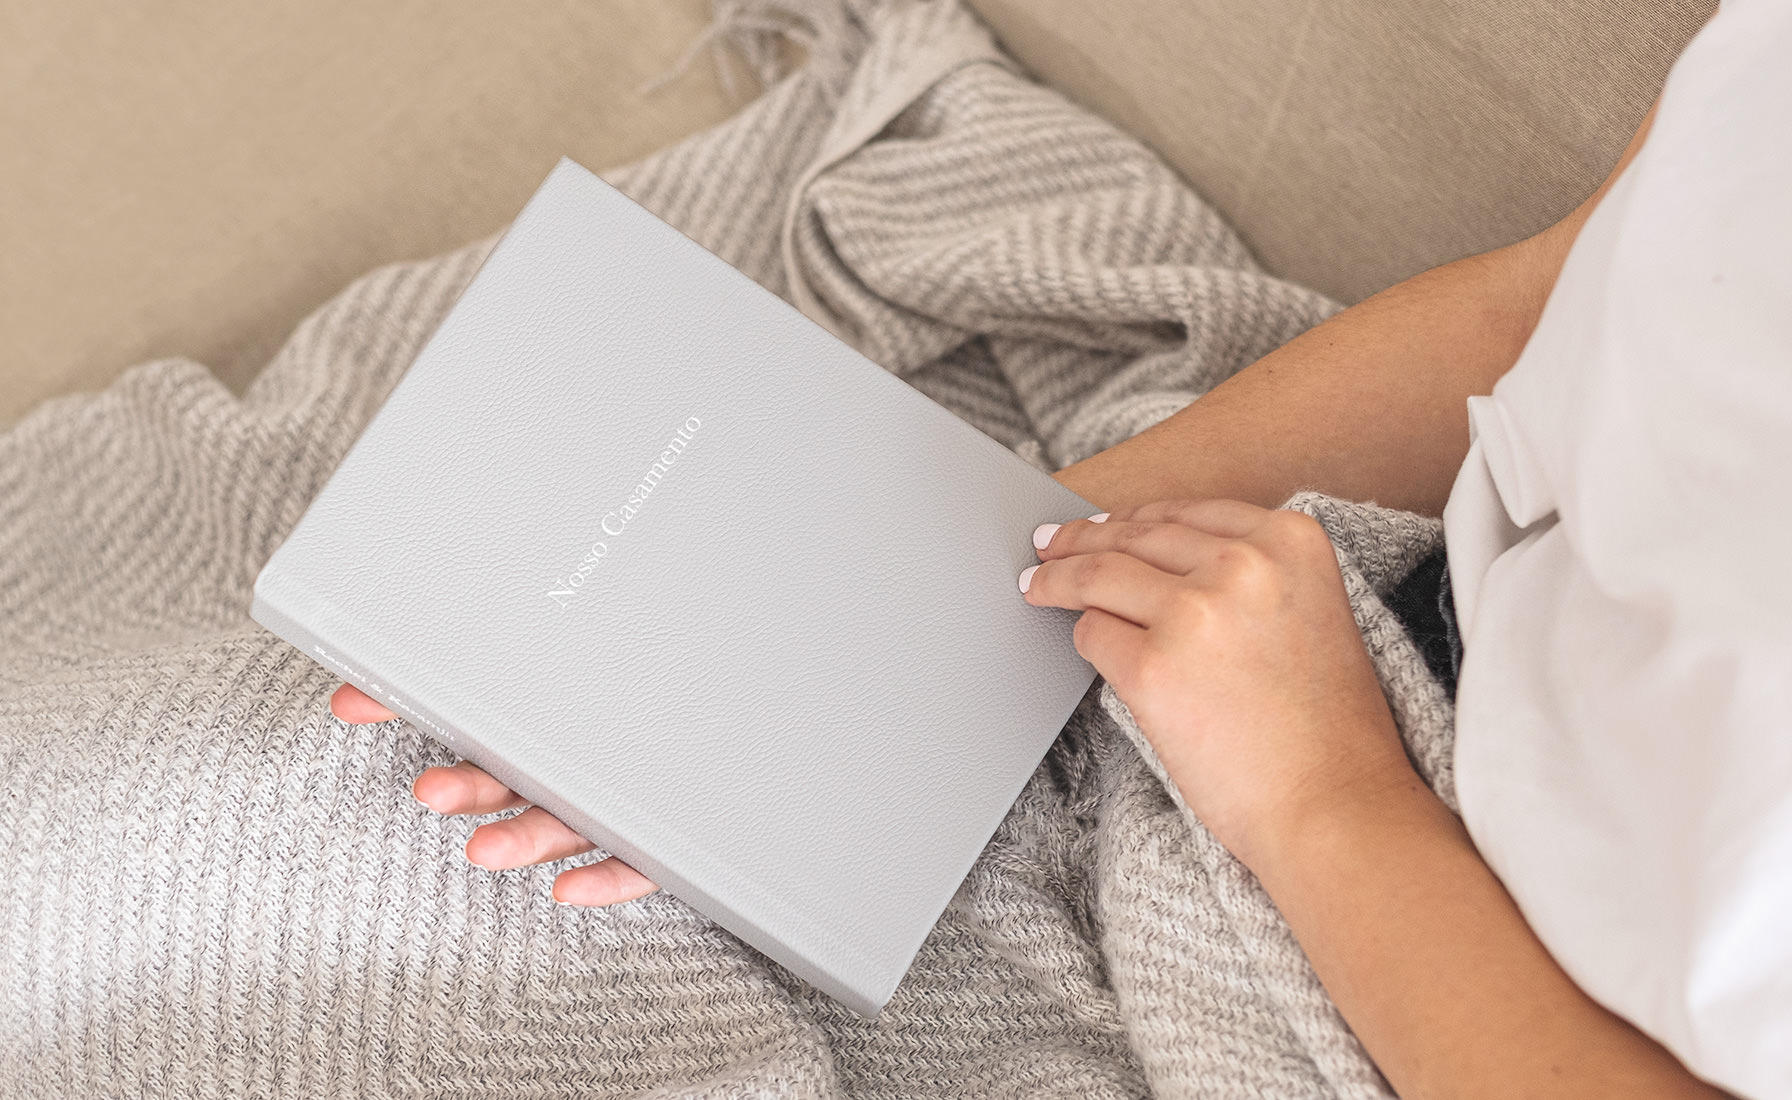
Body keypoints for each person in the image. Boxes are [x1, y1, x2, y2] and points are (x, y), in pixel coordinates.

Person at [332, 3, 1788, 1096]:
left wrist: (1316, 789)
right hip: (1312, 648)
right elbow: (1545, 307)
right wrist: (934, 597)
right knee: (335, 795)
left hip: (1391, 924)